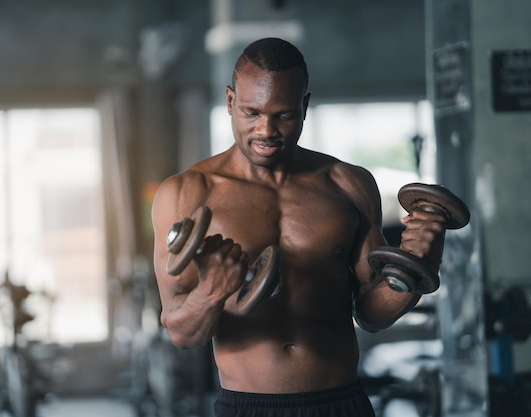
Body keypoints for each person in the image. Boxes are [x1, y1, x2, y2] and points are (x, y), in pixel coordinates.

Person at [151, 37, 446, 417]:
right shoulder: (187, 193)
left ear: (304, 107)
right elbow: (181, 333)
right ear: (230, 103)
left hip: (341, 403)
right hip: (249, 406)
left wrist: (420, 265)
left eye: (283, 115)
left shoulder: (348, 184)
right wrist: (209, 293)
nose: (266, 131)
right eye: (252, 112)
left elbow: (372, 314)